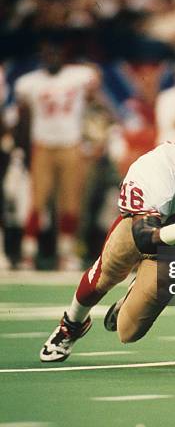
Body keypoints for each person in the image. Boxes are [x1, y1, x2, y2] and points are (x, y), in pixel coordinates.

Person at [40, 124, 175, 362]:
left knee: (128, 331)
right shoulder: (153, 172)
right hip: (149, 227)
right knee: (105, 274)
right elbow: (143, 237)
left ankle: (131, 295)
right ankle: (71, 324)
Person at [14, 38, 100, 269]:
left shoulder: (79, 75)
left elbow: (95, 84)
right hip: (43, 146)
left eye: (56, 54)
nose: (52, 59)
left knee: (70, 201)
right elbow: (23, 116)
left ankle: (65, 253)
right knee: (37, 200)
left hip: (70, 145)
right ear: (42, 58)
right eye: (48, 55)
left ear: (63, 56)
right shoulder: (30, 82)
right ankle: (28, 253)